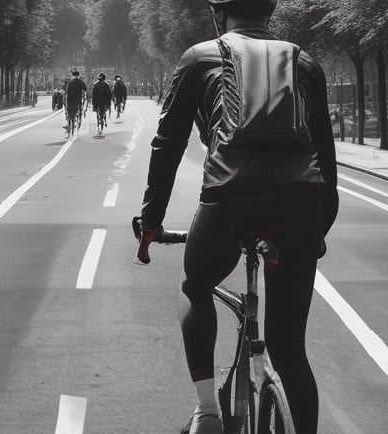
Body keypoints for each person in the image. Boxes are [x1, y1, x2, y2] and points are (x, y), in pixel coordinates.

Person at [136, 0, 338, 432]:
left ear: (219, 15)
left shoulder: (199, 57)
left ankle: (207, 408)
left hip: (230, 197)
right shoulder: (304, 61)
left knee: (196, 284)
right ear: (271, 14)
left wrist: (151, 222)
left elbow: (167, 144)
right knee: (290, 351)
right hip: (301, 203)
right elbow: (325, 152)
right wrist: (319, 228)